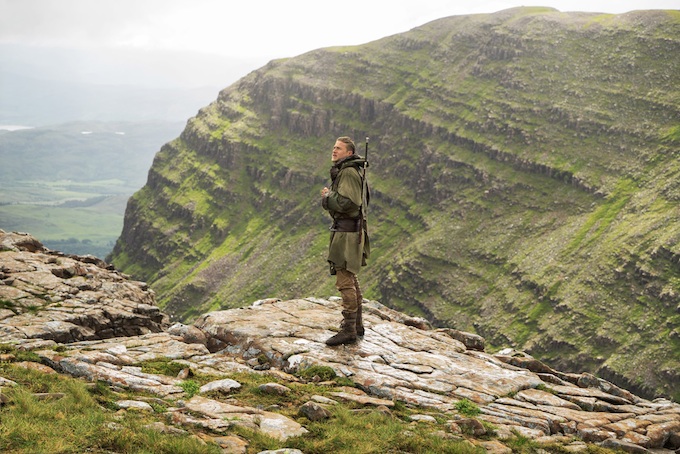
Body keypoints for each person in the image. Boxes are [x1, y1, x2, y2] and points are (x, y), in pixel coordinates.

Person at [320, 136, 370, 346]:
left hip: (347, 235)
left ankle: (348, 329)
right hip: (350, 232)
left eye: (338, 148)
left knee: (344, 280)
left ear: (349, 153)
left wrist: (327, 198)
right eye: (333, 147)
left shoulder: (348, 172)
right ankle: (356, 325)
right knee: (350, 276)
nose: (334, 151)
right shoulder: (351, 170)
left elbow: (350, 202)